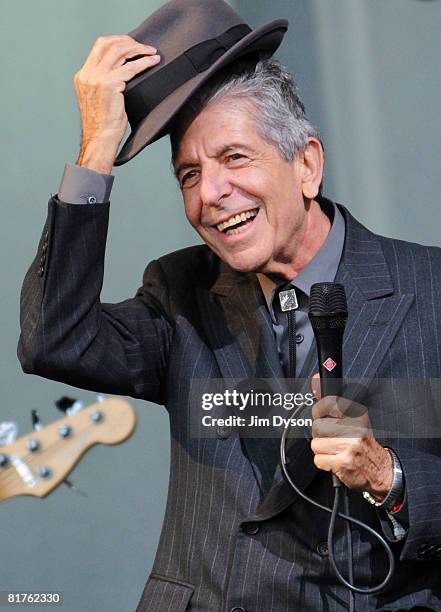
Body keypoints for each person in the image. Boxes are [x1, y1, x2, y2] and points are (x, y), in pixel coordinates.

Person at [18, 0, 441, 610]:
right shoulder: (179, 296)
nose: (212, 194)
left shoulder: (426, 288)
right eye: (188, 174)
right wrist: (96, 151)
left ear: (308, 165)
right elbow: (52, 340)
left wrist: (388, 477)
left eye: (235, 158)